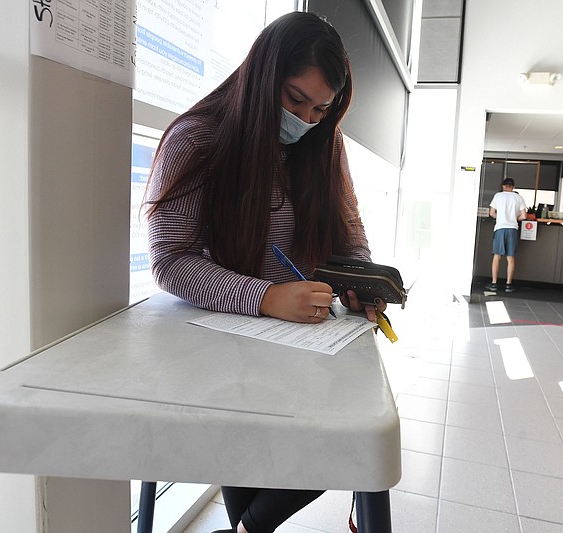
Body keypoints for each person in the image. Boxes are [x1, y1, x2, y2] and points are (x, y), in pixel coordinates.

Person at [144, 12, 385, 533]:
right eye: (295, 100)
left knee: (346, 438)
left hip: (300, 335)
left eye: (321, 109)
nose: (306, 120)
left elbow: (350, 234)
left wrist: (361, 282)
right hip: (220, 337)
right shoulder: (197, 138)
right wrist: (267, 297)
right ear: (261, 76)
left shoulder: (324, 144)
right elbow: (170, 262)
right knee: (252, 445)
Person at [486, 177, 526, 293]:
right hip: (512, 229)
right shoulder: (518, 197)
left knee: (497, 257)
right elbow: (524, 216)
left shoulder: (498, 196)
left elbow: (492, 213)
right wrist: (514, 218)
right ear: (513, 187)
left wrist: (501, 218)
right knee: (510, 258)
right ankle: (508, 285)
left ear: (503, 186)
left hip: (500, 228)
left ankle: (494, 284)